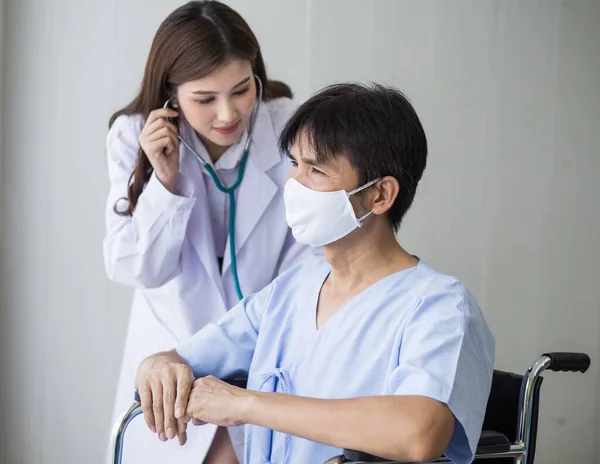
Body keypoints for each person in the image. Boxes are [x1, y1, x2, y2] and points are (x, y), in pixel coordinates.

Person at [134, 82, 496, 464]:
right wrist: (158, 371)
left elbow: (418, 433)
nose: (293, 183)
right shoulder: (293, 288)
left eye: (316, 170)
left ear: (380, 195)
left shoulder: (439, 306)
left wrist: (247, 405)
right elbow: (174, 358)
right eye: (295, 163)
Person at [103, 1, 315, 462]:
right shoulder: (132, 136)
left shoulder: (289, 127)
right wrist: (165, 183)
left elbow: (307, 263)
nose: (227, 114)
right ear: (170, 96)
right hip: (167, 361)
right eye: (204, 99)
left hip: (261, 356)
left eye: (241, 90)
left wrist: (244, 346)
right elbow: (138, 268)